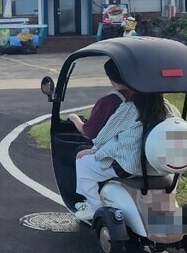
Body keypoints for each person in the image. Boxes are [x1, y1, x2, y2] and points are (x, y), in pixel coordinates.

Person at [71, 64, 179, 222]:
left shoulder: (129, 108)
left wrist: (94, 150)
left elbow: (103, 136)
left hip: (130, 166)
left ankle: (94, 209)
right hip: (161, 166)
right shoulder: (169, 108)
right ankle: (164, 215)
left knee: (82, 163)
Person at [66, 60, 132, 138]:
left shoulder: (108, 102)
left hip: (114, 145)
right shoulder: (141, 97)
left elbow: (89, 132)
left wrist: (74, 118)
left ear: (110, 77)